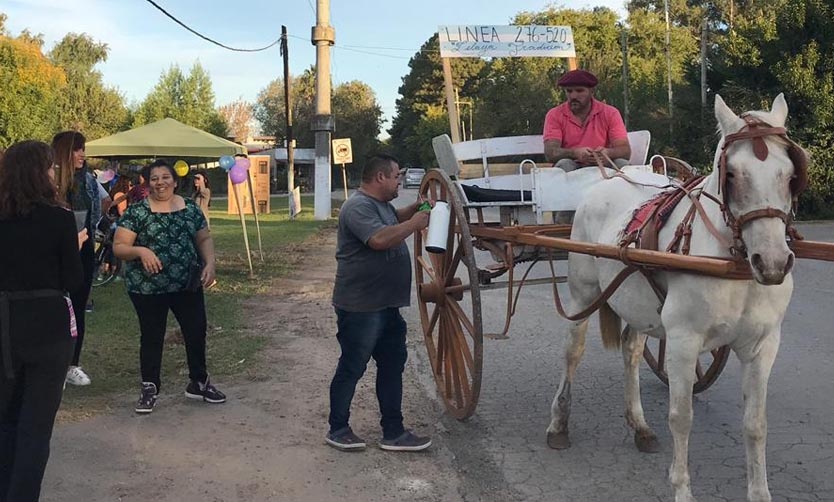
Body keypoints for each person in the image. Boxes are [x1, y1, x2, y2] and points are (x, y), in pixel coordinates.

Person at [326, 154, 432, 452]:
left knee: (391, 367)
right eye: (397, 176)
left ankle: (394, 432)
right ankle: (338, 428)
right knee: (352, 367)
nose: (400, 181)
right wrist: (415, 223)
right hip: (361, 308)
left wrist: (411, 210)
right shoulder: (357, 206)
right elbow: (379, 239)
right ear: (380, 177)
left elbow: (390, 220)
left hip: (386, 306)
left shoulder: (381, 206)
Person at [0, 140, 86, 501]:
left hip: (5, 324)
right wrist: (77, 245)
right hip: (48, 328)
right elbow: (73, 281)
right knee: (36, 427)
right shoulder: (60, 218)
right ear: (41, 172)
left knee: (6, 420)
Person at [113, 160, 225, 414]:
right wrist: (141, 251)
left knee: (195, 331)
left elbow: (204, 237)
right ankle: (150, 386)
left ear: (175, 181)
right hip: (147, 288)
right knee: (152, 336)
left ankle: (199, 381)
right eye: (154, 178)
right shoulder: (138, 212)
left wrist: (210, 263)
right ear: (147, 182)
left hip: (186, 283)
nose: (160, 182)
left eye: (165, 177)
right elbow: (119, 247)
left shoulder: (190, 209)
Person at [52, 131, 106, 385]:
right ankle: (51, 365)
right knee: (54, 306)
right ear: (64, 152)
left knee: (78, 306)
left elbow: (96, 211)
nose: (83, 154)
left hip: (83, 248)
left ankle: (72, 364)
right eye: (77, 149)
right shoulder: (48, 182)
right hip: (53, 251)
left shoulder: (88, 180)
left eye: (83, 148)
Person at [543, 69, 631, 171]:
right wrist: (575, 153)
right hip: (573, 165)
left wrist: (607, 153)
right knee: (564, 164)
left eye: (579, 91)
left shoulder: (610, 113)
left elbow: (625, 151)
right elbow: (550, 153)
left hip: (603, 165)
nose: (573, 96)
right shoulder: (554, 115)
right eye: (569, 91)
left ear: (592, 91)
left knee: (623, 165)